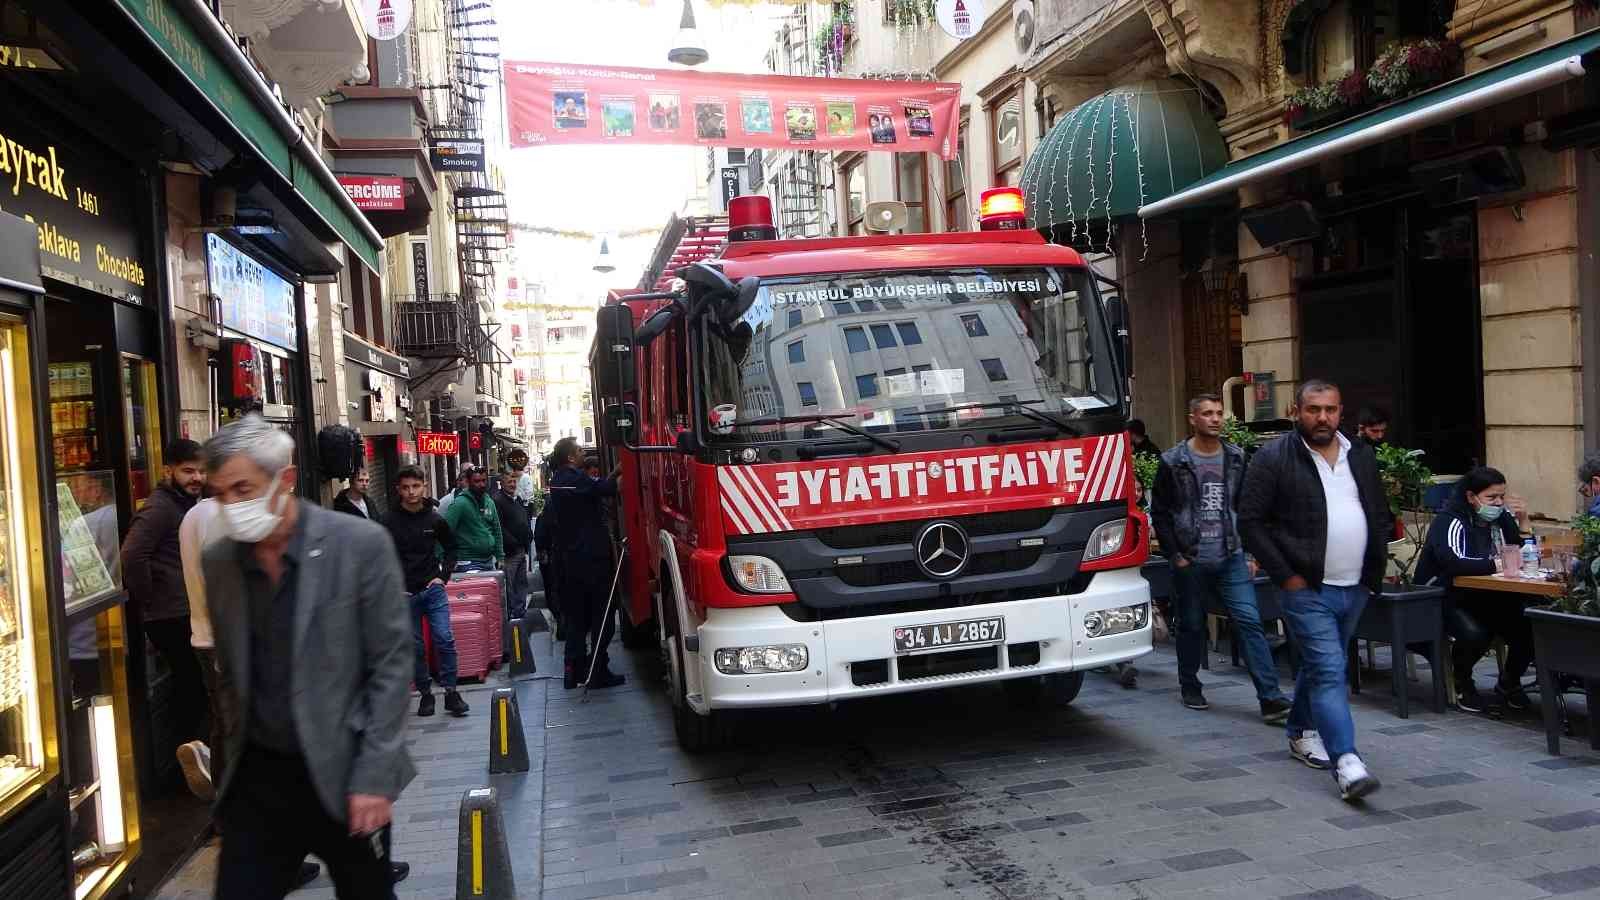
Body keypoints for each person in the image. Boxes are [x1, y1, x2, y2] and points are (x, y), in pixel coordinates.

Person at [201, 415, 414, 898]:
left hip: (347, 769)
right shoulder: (220, 563)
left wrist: (375, 777)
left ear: (286, 479)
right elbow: (233, 673)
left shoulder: (358, 545)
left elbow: (391, 664)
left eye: (243, 488)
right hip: (261, 779)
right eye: (219, 494)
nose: (231, 506)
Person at [1239, 379, 1390, 802]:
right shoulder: (1273, 457)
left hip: (1354, 585)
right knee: (1329, 669)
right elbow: (1250, 521)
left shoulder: (1360, 454)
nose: (1322, 417)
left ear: (1341, 412)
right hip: (1306, 587)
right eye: (1313, 409)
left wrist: (1371, 575)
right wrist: (1286, 575)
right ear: (1296, 410)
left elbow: (1377, 511)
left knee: (1324, 662)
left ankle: (1300, 730)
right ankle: (1348, 763)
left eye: (1330, 409)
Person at [1152, 394, 1292, 723]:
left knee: (1249, 622)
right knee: (1191, 623)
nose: (1215, 419)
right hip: (1192, 556)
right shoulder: (1173, 461)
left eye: (1219, 413)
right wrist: (1175, 555)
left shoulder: (1237, 457)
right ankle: (1190, 684)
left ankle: (1270, 698)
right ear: (1193, 418)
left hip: (1232, 555)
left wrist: (1252, 552)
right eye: (1207, 413)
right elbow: (1160, 512)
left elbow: (1248, 508)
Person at [1413, 467, 1534, 713]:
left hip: (1487, 594)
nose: (1498, 503)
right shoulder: (1450, 520)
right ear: (1471, 497)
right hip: (1445, 596)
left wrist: (1523, 521)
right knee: (1476, 634)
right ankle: (1461, 680)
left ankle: (1509, 683)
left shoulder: (1501, 518)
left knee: (1530, 625)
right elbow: (1454, 562)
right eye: (1491, 498)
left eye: (1502, 496)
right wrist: (1496, 564)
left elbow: (1520, 551)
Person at [122, 440, 208, 754]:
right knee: (192, 687)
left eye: (201, 471)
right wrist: (148, 601)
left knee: (193, 686)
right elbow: (132, 556)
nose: (196, 477)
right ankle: (188, 759)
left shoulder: (186, 504)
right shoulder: (160, 507)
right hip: (170, 616)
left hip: (183, 610)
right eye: (188, 471)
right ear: (167, 470)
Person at [382, 466, 467, 719]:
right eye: (406, 487)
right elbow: (377, 555)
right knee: (415, 647)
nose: (411, 492)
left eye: (415, 486)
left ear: (424, 486)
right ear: (398, 490)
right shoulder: (388, 522)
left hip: (433, 590)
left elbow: (452, 548)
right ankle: (425, 694)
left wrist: (443, 577)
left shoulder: (434, 519)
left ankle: (451, 692)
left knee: (444, 638)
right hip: (404, 594)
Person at [543, 437, 625, 690]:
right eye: (579, 451)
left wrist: (612, 473)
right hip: (590, 560)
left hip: (569, 561)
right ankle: (597, 669)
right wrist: (624, 472)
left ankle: (573, 670)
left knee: (577, 619)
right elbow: (607, 488)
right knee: (603, 616)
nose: (582, 454)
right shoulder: (573, 479)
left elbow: (596, 485)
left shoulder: (558, 481)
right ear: (570, 457)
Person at [442, 464, 503, 573]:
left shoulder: (489, 502)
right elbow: (443, 531)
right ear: (469, 482)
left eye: (484, 480)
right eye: (477, 481)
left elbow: (497, 530)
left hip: (488, 561)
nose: (482, 484)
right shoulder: (460, 504)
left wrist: (500, 557)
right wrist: (444, 559)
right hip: (467, 562)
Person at [492, 469, 534, 620]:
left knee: (521, 583)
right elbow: (499, 527)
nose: (512, 484)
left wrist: (528, 537)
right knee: (510, 585)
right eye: (509, 481)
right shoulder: (497, 500)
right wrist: (514, 543)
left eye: (514, 481)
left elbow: (524, 519)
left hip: (521, 549)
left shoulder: (516, 499)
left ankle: (520, 612)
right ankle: (512, 615)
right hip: (510, 552)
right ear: (502, 483)